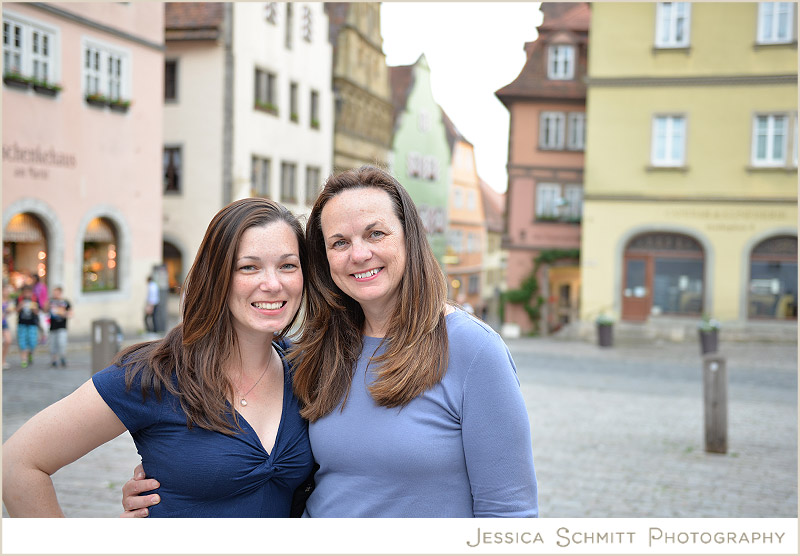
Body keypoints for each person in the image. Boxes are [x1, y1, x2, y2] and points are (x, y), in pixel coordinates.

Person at [122, 165, 538, 518]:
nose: (358, 254)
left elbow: (510, 514)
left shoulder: (473, 351)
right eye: (340, 242)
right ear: (324, 259)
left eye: (376, 234)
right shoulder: (317, 351)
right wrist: (172, 491)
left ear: (409, 237)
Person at [2, 198, 314, 517]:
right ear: (216, 276)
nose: (273, 284)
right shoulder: (156, 373)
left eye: (287, 266)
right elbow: (18, 464)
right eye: (249, 267)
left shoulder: (307, 371)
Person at [47, 286, 73, 368]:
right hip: (52, 327)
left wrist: (63, 313)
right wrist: (47, 303)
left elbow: (71, 314)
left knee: (62, 343)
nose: (55, 294)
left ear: (60, 293)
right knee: (53, 345)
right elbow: (44, 310)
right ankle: (54, 360)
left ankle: (63, 358)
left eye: (57, 293)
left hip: (62, 326)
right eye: (54, 292)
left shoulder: (65, 302)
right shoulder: (50, 302)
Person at [15, 285, 39, 368]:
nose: (27, 294)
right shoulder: (19, 299)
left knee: (32, 343)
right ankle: (24, 359)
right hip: (22, 324)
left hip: (32, 324)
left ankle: (30, 353)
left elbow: (37, 312)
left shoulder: (35, 299)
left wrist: (33, 308)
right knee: (22, 342)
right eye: (25, 292)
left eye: (29, 292)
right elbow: (16, 310)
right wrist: (20, 306)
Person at [3, 284, 14, 370]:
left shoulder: (8, 300)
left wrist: (9, 311)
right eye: (5, 290)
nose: (7, 292)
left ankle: (2, 360)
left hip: (4, 323)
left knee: (8, 340)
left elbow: (8, 312)